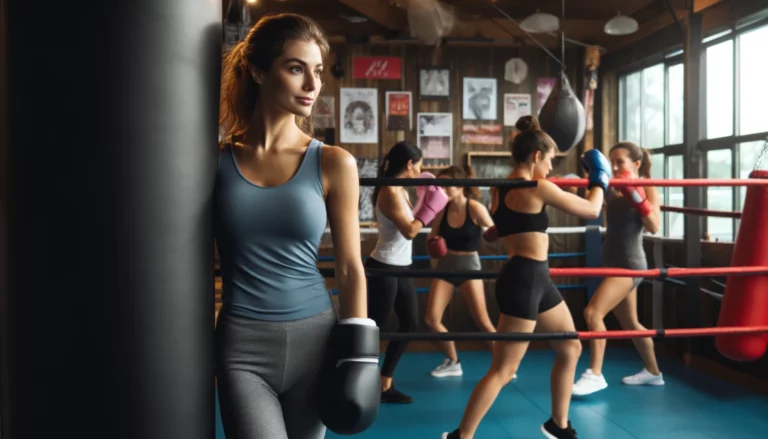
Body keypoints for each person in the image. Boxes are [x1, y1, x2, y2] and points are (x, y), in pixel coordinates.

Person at [214, 13, 372, 439]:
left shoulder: (334, 162)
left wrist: (360, 357)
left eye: (317, 71)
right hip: (242, 349)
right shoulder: (217, 162)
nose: (312, 85)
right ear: (258, 70)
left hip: (316, 343)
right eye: (296, 68)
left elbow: (351, 268)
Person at [441, 116, 609, 439]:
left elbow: (493, 233)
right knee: (504, 370)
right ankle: (461, 436)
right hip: (524, 281)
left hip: (534, 279)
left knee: (571, 348)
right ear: (535, 156)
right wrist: (599, 179)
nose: (549, 169)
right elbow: (591, 210)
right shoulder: (537, 187)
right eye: (549, 161)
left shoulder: (499, 189)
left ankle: (558, 425)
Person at [572, 142, 664, 396]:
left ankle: (595, 374)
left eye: (620, 162)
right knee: (631, 323)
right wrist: (589, 181)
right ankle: (654, 373)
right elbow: (593, 210)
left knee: (592, 313)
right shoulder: (610, 186)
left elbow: (654, 225)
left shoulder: (647, 186)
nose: (614, 166)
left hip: (629, 265)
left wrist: (637, 197)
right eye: (611, 161)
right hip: (613, 262)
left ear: (636, 164)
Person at [367, 141, 450, 404]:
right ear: (410, 165)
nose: (421, 170)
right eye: (420, 165)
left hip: (400, 266)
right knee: (374, 329)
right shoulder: (391, 191)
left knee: (409, 323)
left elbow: (409, 223)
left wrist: (425, 201)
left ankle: (384, 384)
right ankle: (357, 382)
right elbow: (410, 230)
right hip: (384, 266)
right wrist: (431, 207)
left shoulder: (401, 189)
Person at [425, 165, 498, 378]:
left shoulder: (474, 207)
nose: (443, 190)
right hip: (446, 266)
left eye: (446, 185)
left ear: (460, 185)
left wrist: (491, 232)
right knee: (431, 319)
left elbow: (494, 232)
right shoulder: (442, 210)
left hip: (469, 267)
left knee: (483, 322)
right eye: (440, 186)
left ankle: (504, 363)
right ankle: (453, 361)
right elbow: (431, 237)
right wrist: (433, 246)